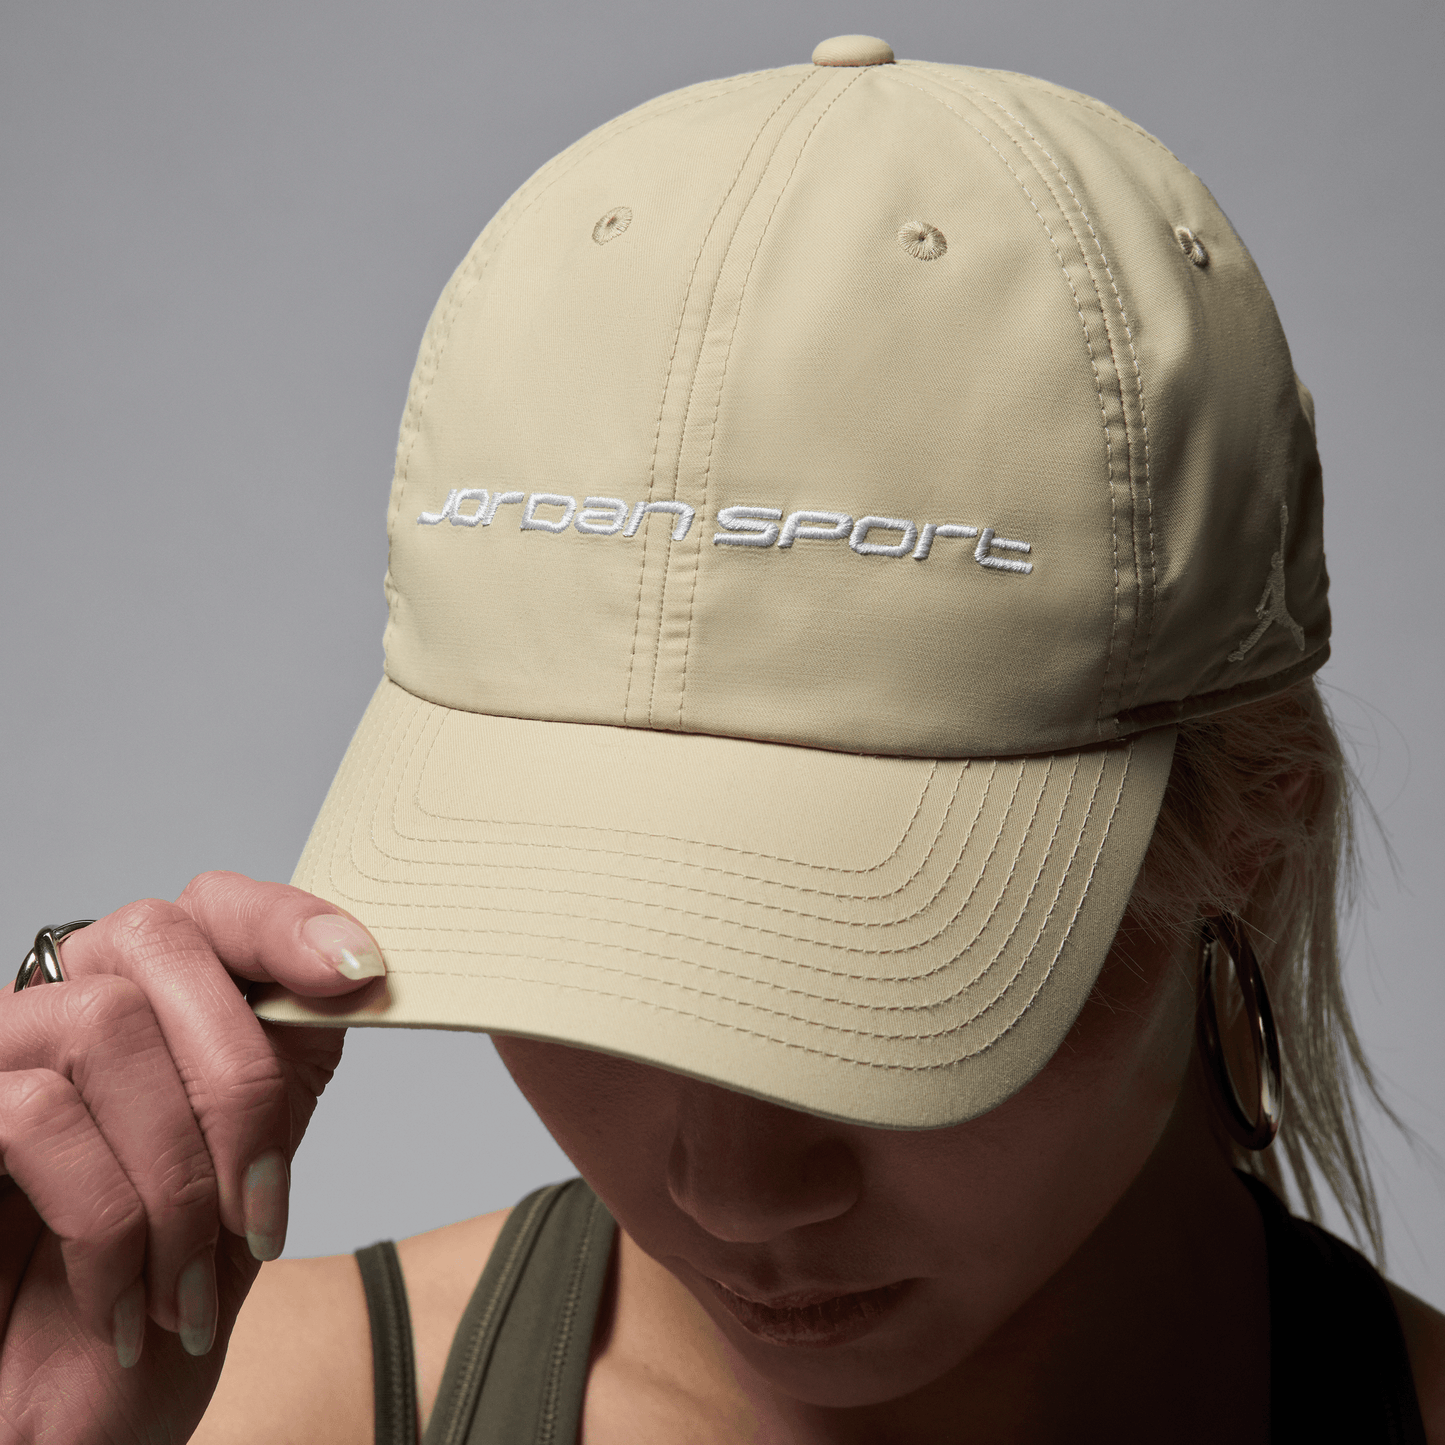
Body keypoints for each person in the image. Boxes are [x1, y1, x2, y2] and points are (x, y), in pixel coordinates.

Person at [3, 34, 1441, 1444]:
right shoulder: (246, 1415)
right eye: (592, 950)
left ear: (1254, 837)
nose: (736, 1191)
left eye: (872, 973)